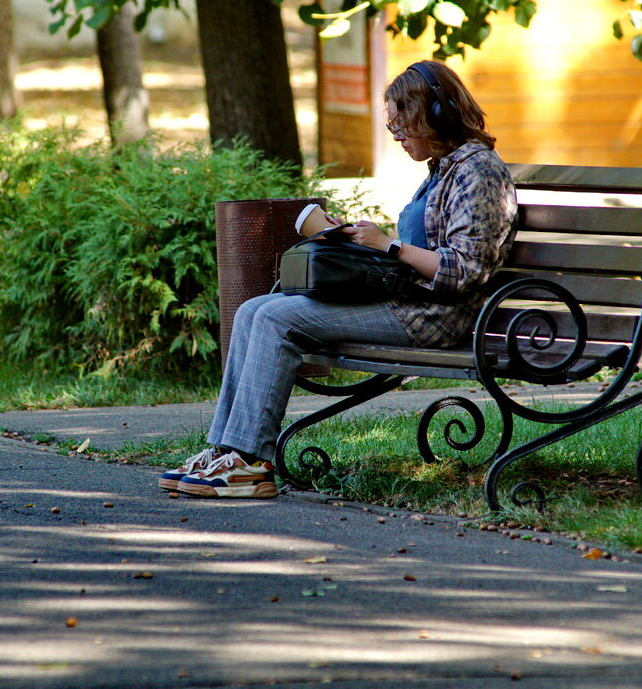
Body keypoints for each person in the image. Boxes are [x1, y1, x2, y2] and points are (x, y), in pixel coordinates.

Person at [160, 60, 518, 499]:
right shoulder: (444, 168)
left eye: (402, 126)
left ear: (437, 116)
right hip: (407, 301)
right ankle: (225, 450)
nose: (397, 137)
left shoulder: (478, 171)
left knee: (276, 320)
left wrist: (386, 245)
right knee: (253, 309)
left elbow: (465, 270)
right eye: (392, 128)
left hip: (438, 316)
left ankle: (250, 464)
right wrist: (357, 240)